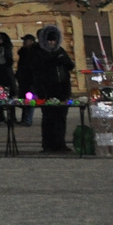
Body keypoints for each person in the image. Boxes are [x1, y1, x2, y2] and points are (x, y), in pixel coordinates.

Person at [31, 25, 75, 153]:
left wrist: (63, 61)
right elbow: (38, 69)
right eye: (49, 40)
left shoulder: (60, 51)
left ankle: (60, 143)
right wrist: (54, 61)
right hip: (47, 89)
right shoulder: (38, 51)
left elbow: (70, 65)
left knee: (61, 117)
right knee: (49, 118)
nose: (52, 43)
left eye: (54, 40)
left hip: (62, 88)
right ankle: (48, 144)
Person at [15, 33, 41, 127]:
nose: (24, 42)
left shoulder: (34, 52)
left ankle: (27, 120)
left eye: (26, 40)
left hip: (32, 79)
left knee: (30, 100)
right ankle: (24, 119)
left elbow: (34, 66)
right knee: (23, 100)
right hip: (23, 79)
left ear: (31, 41)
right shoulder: (23, 52)